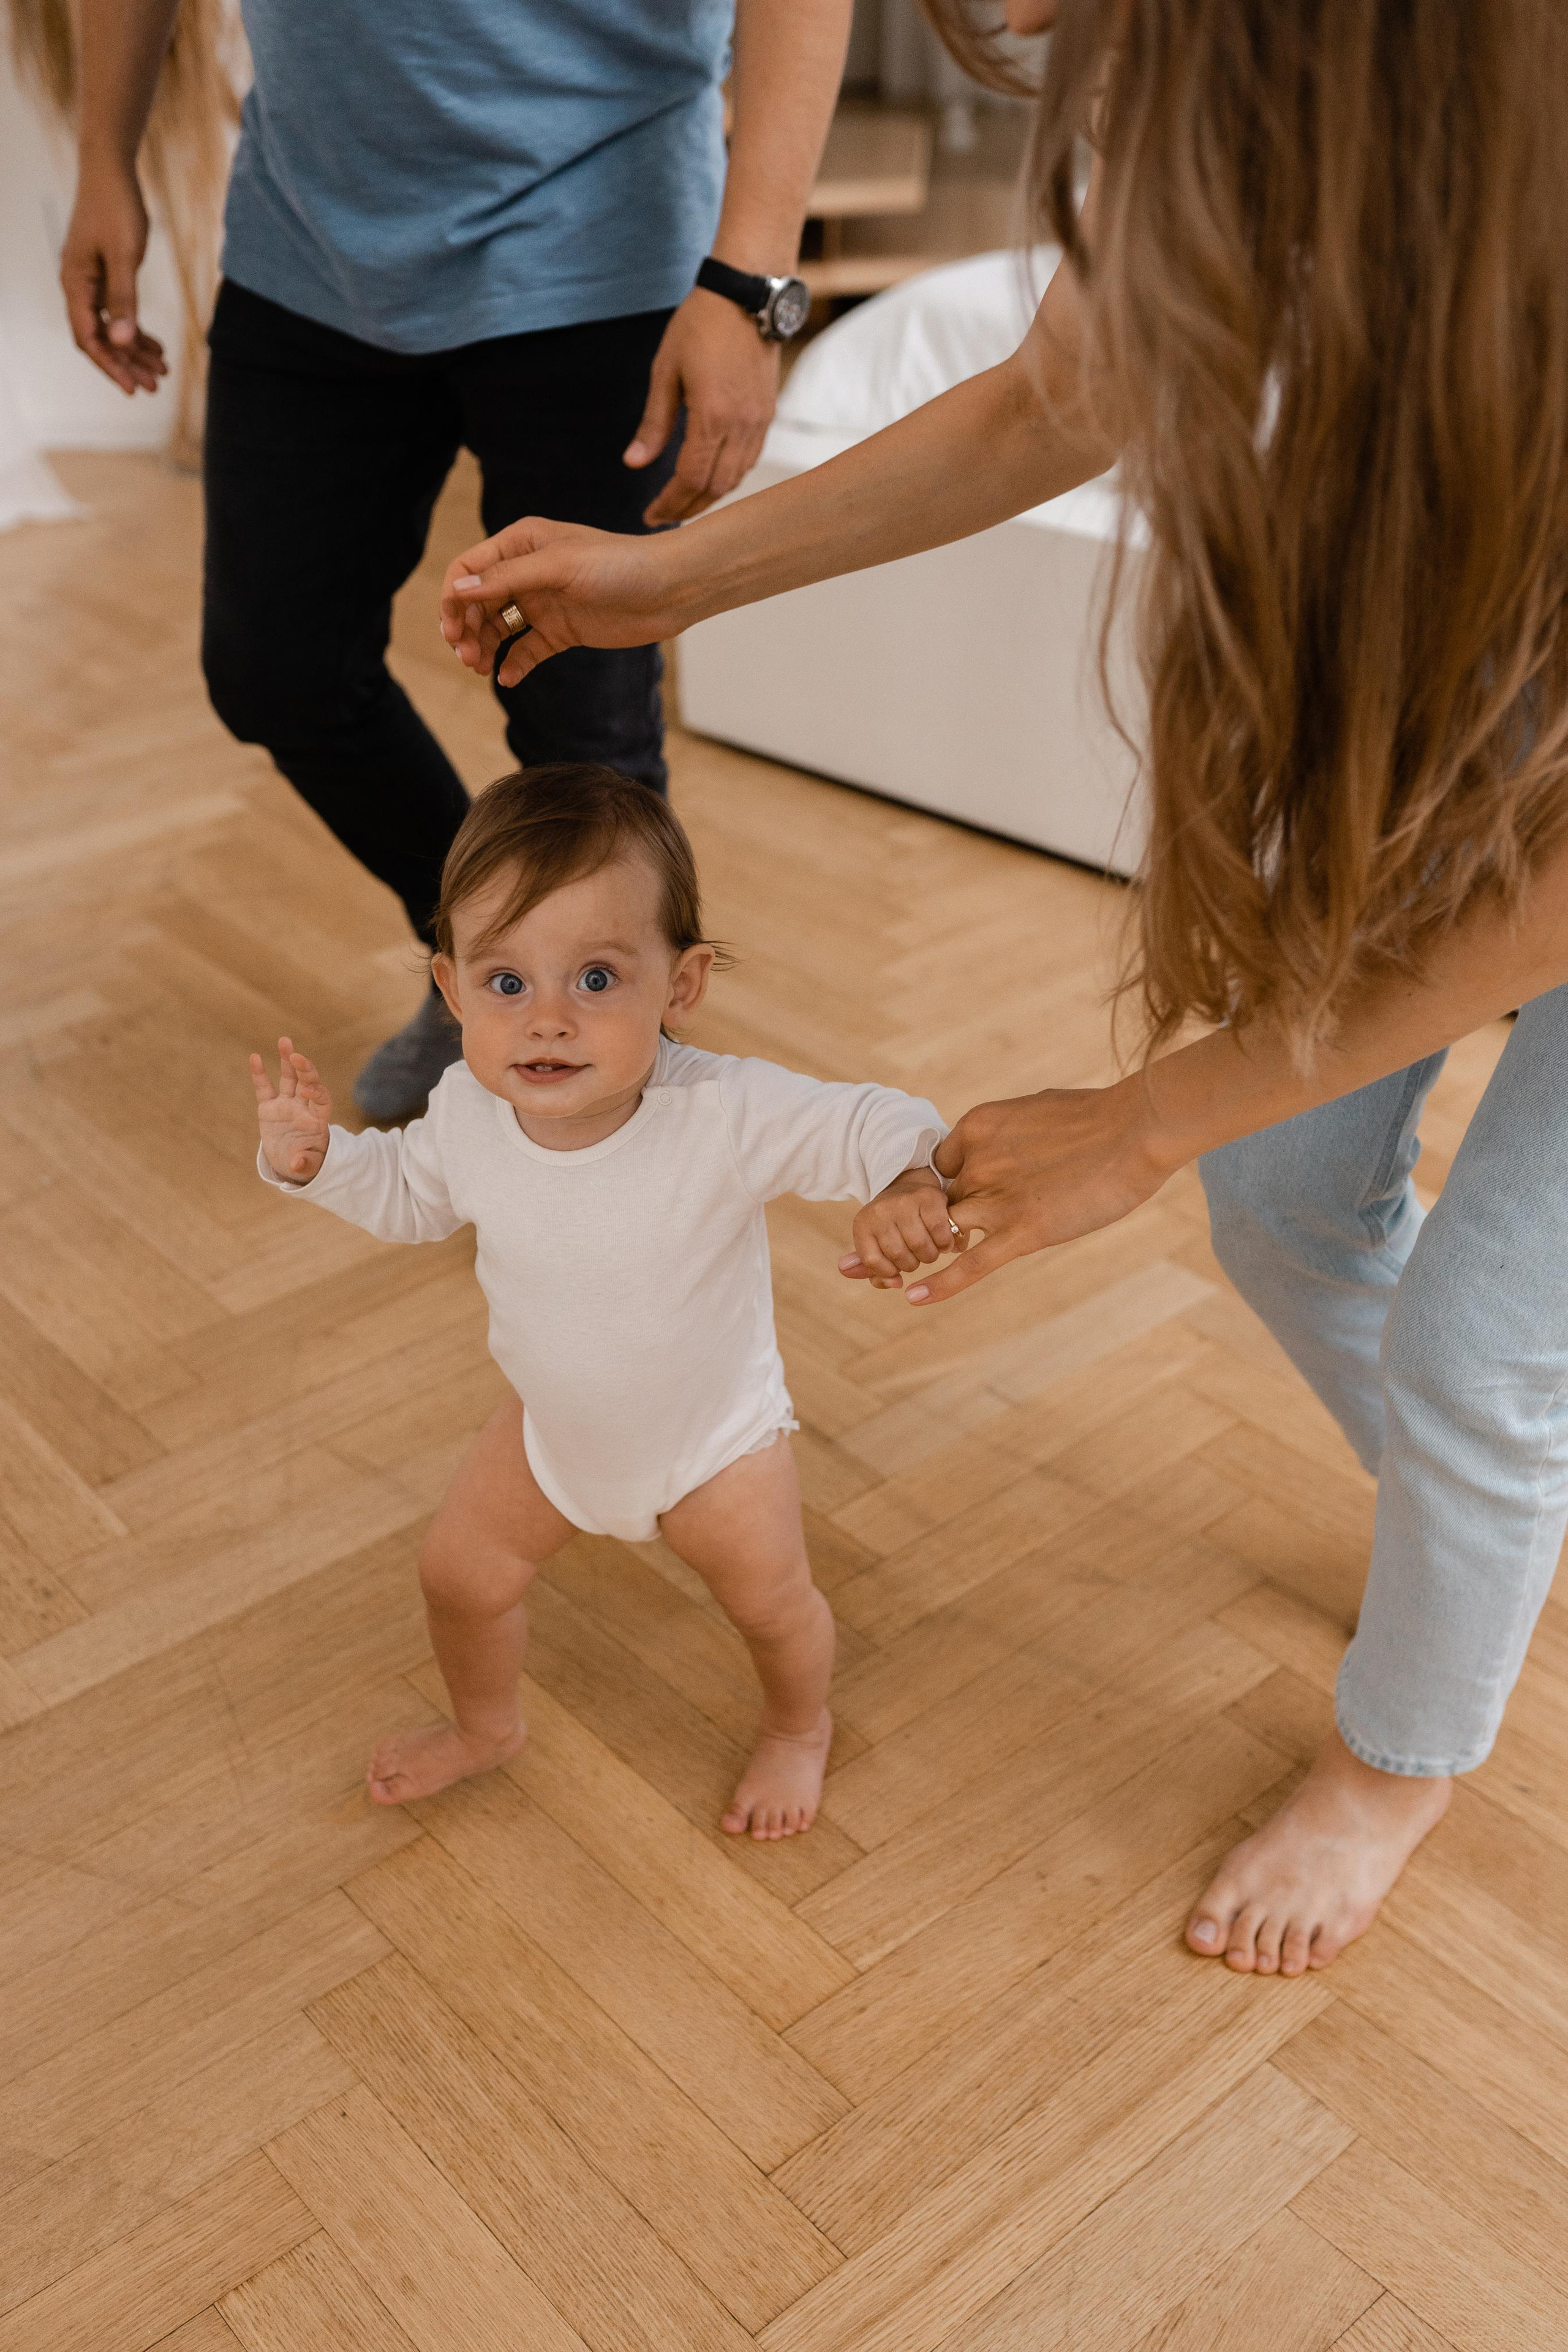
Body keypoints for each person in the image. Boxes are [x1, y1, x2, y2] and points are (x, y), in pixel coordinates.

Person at [433, 0, 1568, 1972]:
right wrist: (661, 578)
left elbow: (1546, 903)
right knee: (1290, 1199)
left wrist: (1135, 1121)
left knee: (1488, 1345)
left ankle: (1403, 1754)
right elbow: (1064, 388)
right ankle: (1497, 1513)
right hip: (1428, 737)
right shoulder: (1243, 118)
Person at [62, 0, 850, 1118]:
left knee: (585, 743)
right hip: (309, 245)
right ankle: (501, 965)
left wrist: (748, 282)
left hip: (606, 255)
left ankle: (610, 1093)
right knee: (276, 671)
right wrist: (104, 156)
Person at [249, 764, 957, 1836]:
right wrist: (318, 1163)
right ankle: (487, 1727)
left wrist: (908, 1173)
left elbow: (871, 1118)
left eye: (595, 980)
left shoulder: (722, 1112)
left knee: (772, 1608)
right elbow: (407, 1196)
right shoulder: (466, 1112)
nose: (547, 1023)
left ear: (681, 985)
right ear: (450, 991)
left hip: (714, 1445)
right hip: (552, 1430)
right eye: (506, 984)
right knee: (458, 1576)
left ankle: (797, 1727)